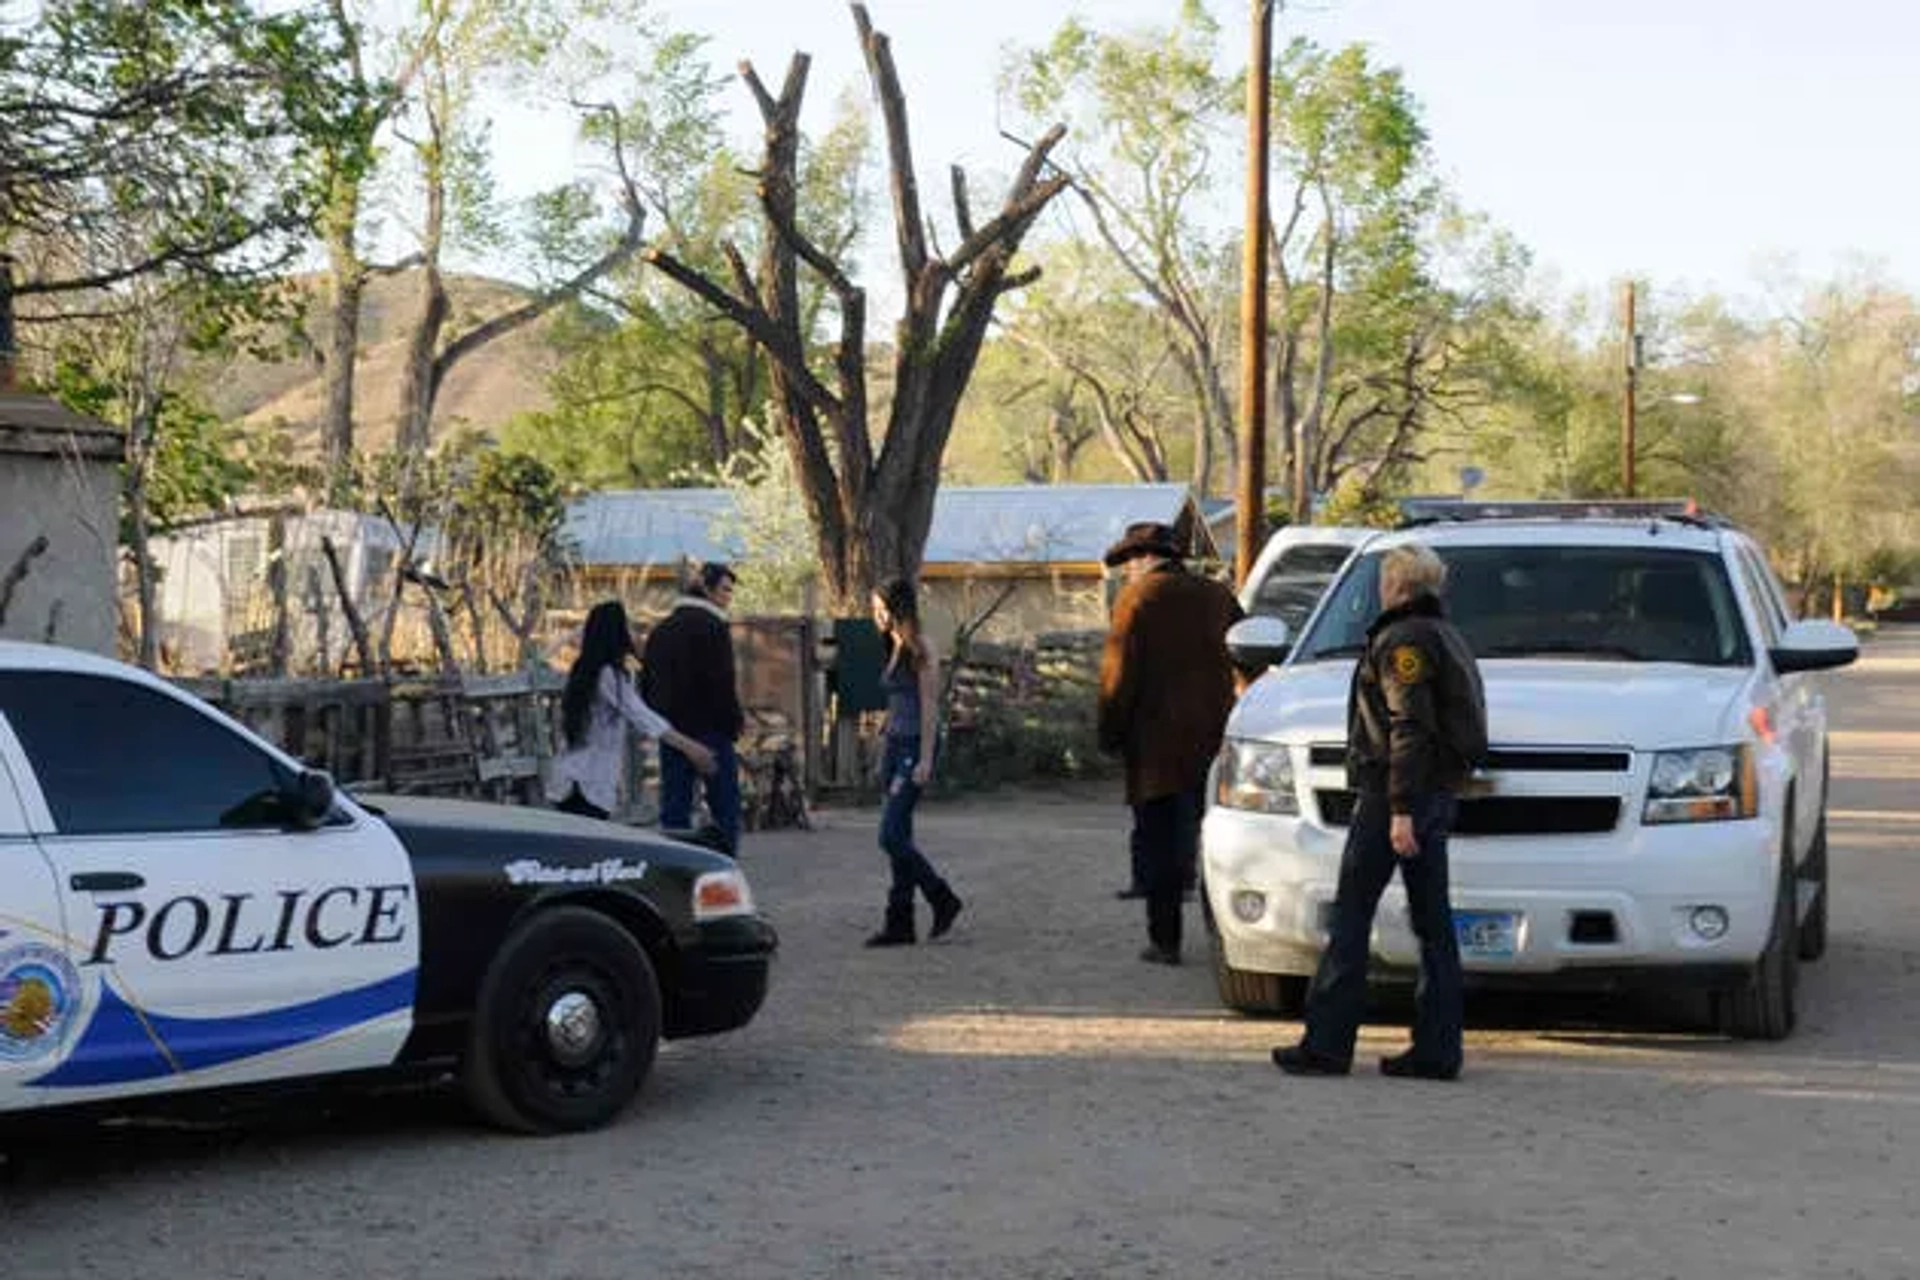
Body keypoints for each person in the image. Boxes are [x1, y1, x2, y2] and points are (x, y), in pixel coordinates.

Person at [1273, 542, 1488, 1082]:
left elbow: (1407, 726)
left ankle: (1327, 1043)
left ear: (1395, 585)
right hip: (1436, 793)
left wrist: (1397, 808)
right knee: (1434, 923)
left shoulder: (1405, 642)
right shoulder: (1448, 636)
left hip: (1397, 796)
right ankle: (1438, 1049)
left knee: (1351, 916)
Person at [1097, 522, 1244, 966]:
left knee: (1160, 841)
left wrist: (1110, 731)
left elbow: (1118, 677)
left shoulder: (1138, 599)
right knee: (1212, 842)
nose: (1126, 571)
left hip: (1156, 744)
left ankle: (1166, 941)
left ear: (1143, 557)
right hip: (1214, 738)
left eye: (1128, 562)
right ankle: (1230, 934)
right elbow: (1247, 651)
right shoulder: (1217, 596)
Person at [862, 578, 964, 948]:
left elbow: (929, 707)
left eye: (879, 608)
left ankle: (942, 897)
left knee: (889, 835)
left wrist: (924, 758)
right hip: (893, 746)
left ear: (896, 608)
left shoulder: (922, 647)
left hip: (913, 748)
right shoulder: (892, 645)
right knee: (899, 835)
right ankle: (899, 922)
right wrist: (883, 735)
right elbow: (897, 702)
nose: (875, 615)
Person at [548, 600, 716, 822]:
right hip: (589, 784)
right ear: (615, 632)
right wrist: (691, 747)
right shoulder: (608, 676)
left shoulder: (585, 670)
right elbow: (642, 716)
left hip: (572, 778)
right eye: (626, 626)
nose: (631, 632)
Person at [642, 562, 746, 853]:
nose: (728, 597)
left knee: (675, 809)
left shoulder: (661, 631)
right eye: (725, 590)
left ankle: (676, 870)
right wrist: (733, 724)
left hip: (673, 733)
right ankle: (724, 865)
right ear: (706, 588)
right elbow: (722, 683)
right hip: (711, 731)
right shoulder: (714, 627)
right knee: (725, 807)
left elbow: (648, 685)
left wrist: (664, 727)